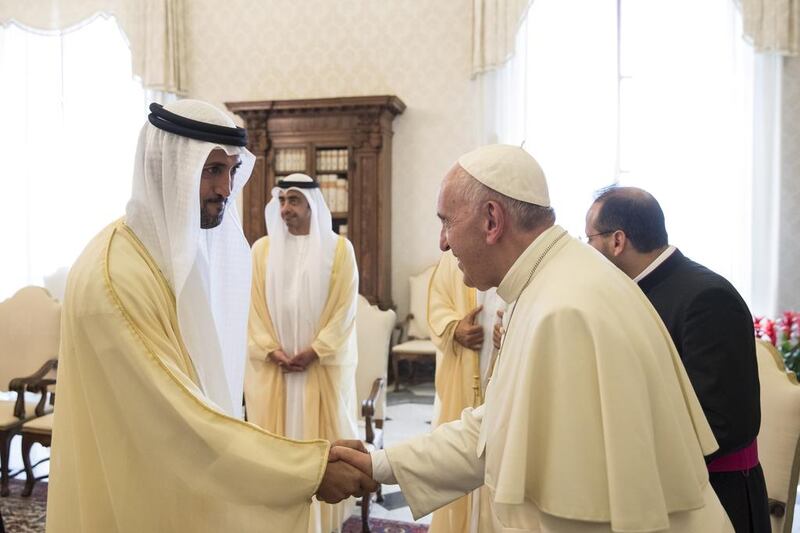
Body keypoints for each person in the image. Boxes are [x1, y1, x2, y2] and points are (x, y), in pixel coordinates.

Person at [331, 144, 733, 532]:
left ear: (492, 220)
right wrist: (380, 464)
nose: (442, 242)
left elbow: (578, 505)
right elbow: (492, 430)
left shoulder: (563, 309)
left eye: (446, 221)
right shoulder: (548, 282)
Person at [46, 100, 375, 533]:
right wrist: (305, 469)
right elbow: (178, 419)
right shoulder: (118, 276)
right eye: (211, 170)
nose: (225, 188)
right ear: (169, 168)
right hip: (133, 491)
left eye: (231, 171)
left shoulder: (165, 254)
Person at [584, 186, 769, 532]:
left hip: (715, 498)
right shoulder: (635, 292)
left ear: (617, 241)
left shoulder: (707, 298)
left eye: (589, 238)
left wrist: (628, 454)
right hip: (663, 492)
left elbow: (724, 423)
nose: (587, 251)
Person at [244, 173, 359, 533]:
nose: (286, 209)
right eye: (281, 200)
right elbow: (251, 308)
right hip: (275, 371)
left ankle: (319, 524)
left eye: (294, 201)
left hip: (317, 371)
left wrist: (315, 350)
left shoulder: (339, 250)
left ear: (312, 205)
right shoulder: (261, 250)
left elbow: (345, 311)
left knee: (318, 446)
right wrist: (269, 349)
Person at [426, 250, 505, 533]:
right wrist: (455, 327)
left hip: (505, 378)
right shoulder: (453, 257)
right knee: (459, 451)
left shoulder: (519, 254)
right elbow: (437, 303)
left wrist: (511, 330)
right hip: (461, 376)